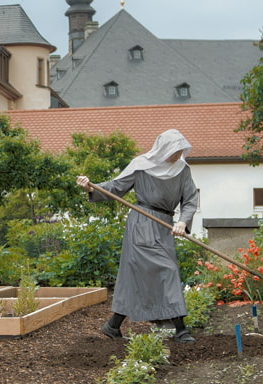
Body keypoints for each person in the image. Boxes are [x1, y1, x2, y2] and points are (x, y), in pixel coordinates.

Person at [75, 129, 199, 344]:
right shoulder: (141, 165)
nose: (178, 155)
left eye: (181, 151)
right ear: (164, 148)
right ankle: (180, 329)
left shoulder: (182, 170)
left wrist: (182, 221)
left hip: (165, 225)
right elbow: (115, 188)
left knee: (140, 276)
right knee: (166, 270)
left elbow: (189, 200)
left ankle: (113, 326)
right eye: (174, 151)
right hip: (142, 224)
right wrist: (91, 186)